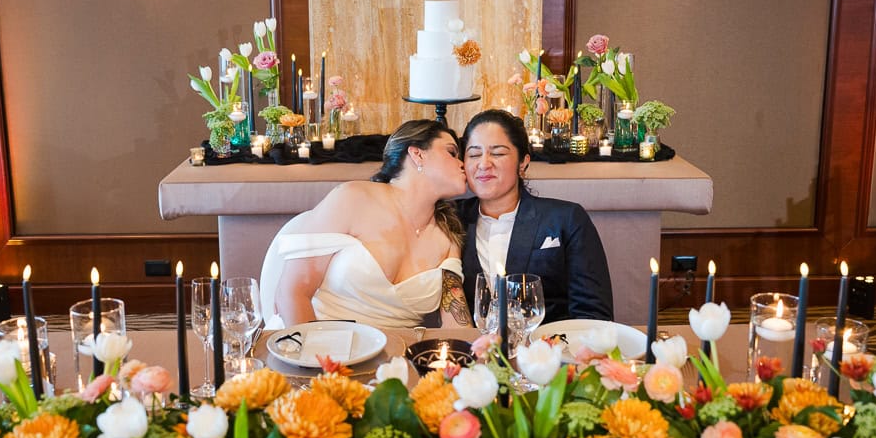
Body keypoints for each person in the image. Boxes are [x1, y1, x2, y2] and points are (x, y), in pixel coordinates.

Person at [260, 120, 474, 329]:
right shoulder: (353, 198)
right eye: (452, 153)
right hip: (309, 343)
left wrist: (482, 358)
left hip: (390, 361)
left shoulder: (449, 236)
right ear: (418, 154)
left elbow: (457, 320)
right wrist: (314, 356)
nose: (462, 163)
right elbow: (291, 293)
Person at [457, 108, 612, 323]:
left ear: (523, 162)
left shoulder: (566, 219)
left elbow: (593, 314)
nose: (484, 164)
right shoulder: (451, 219)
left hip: (549, 349)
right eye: (474, 154)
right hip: (473, 350)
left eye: (498, 153)